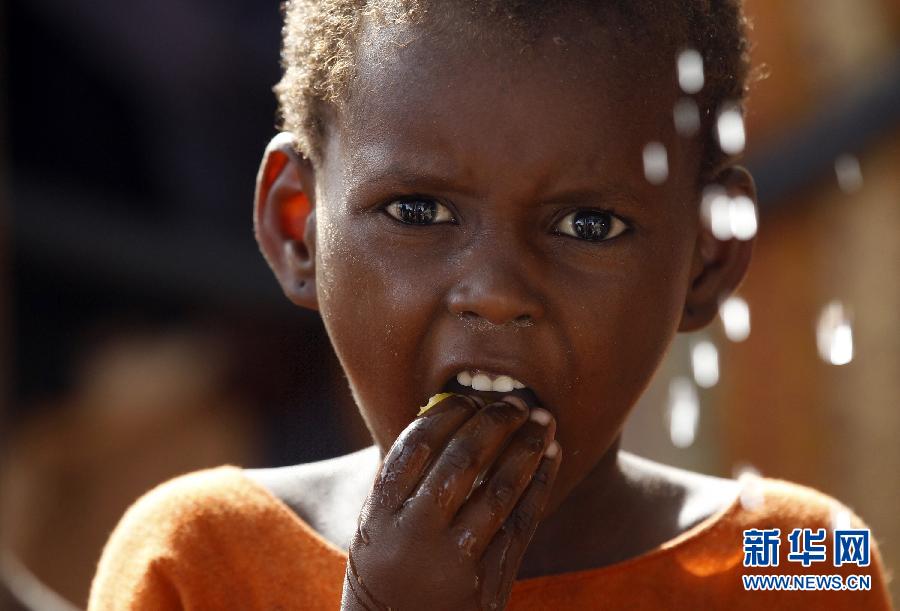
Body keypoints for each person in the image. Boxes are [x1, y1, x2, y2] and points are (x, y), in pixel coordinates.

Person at [88, 1, 893, 609]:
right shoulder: (200, 558)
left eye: (588, 224)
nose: (499, 293)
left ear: (707, 258)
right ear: (299, 228)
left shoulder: (796, 557)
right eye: (417, 210)